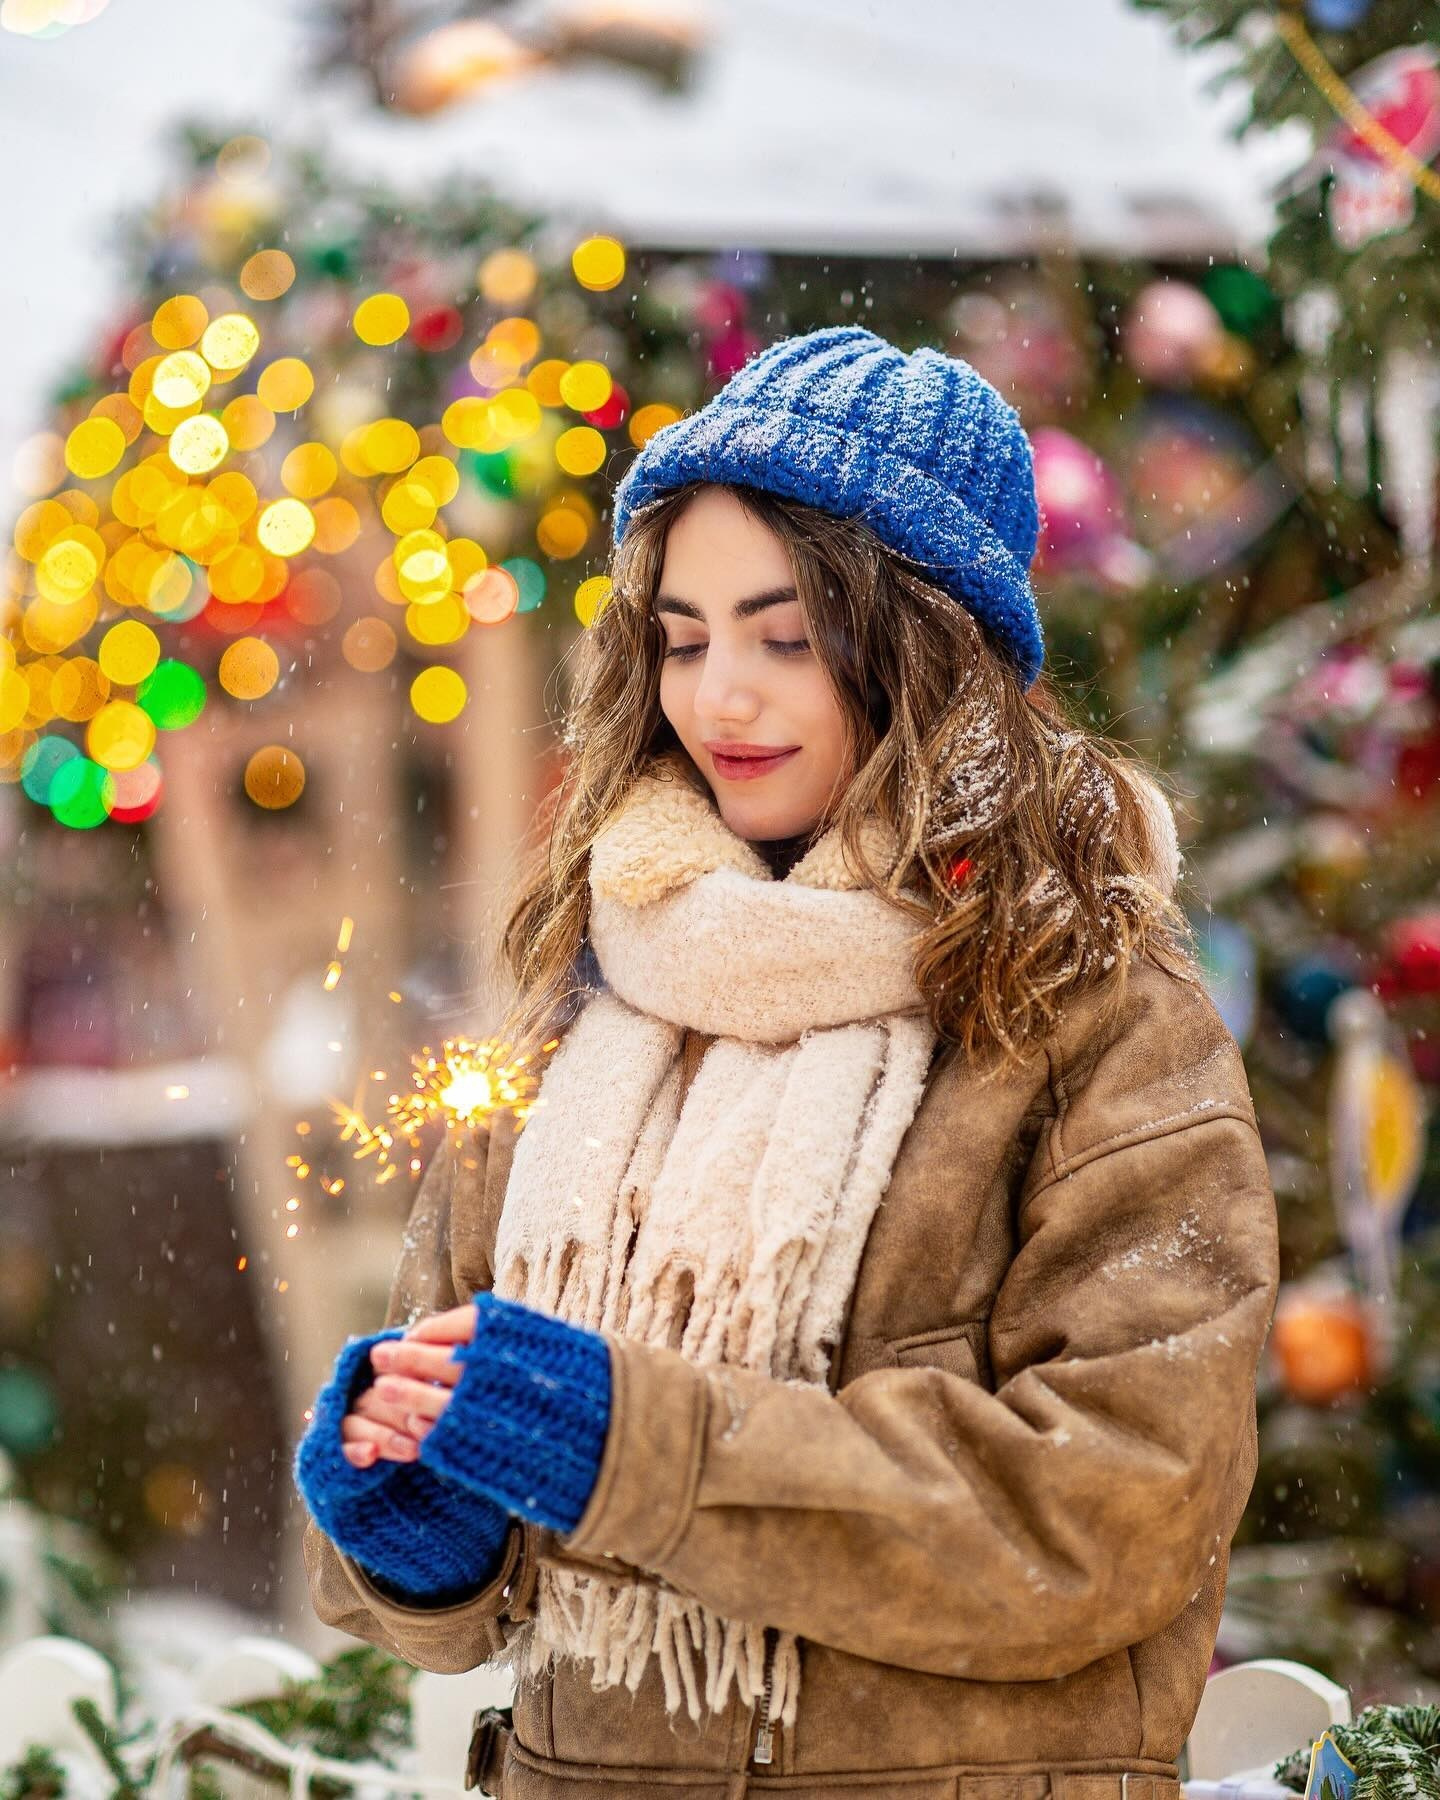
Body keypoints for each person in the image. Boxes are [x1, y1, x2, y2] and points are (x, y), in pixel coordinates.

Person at [295, 325, 1280, 1800]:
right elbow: (478, 1602)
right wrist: (418, 1520)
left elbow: (1111, 1512)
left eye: (785, 633)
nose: (719, 700)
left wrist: (638, 1446)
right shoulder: (594, 998)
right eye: (684, 639)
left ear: (923, 643)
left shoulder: (1094, 1013)